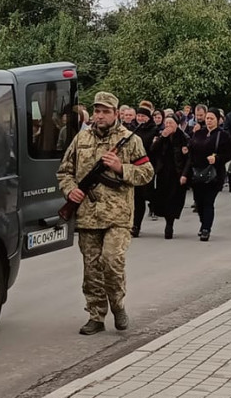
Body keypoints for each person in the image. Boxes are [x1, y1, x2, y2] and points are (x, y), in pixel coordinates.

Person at [59, 92, 153, 336]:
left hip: (118, 216)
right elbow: (64, 171)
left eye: (105, 111)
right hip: (88, 215)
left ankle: (118, 304)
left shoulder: (129, 140)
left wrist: (121, 168)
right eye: (97, 111)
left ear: (116, 113)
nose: (100, 115)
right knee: (91, 269)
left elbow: (147, 173)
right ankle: (96, 315)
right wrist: (71, 192)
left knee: (111, 261)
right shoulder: (81, 138)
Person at [186, 107, 231, 241]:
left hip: (214, 174)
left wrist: (217, 158)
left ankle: (206, 228)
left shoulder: (223, 135)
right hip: (197, 173)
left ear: (218, 120)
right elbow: (192, 150)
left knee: (208, 202)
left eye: (212, 118)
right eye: (207, 118)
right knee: (199, 203)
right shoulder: (199, 133)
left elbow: (229, 154)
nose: (209, 121)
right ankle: (203, 223)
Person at [148, 114, 191, 239]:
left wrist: (184, 174)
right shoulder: (161, 136)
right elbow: (153, 150)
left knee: (174, 200)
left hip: (177, 173)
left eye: (171, 123)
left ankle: (169, 224)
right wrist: (162, 137)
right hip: (163, 172)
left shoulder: (184, 137)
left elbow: (188, 158)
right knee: (163, 199)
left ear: (176, 124)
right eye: (166, 123)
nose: (168, 126)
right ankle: (166, 220)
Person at [130, 106, 160, 237]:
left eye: (143, 116)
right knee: (137, 198)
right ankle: (136, 225)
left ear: (148, 118)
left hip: (148, 166)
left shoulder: (154, 130)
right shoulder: (132, 129)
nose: (140, 118)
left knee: (147, 194)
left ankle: (155, 208)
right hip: (133, 167)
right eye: (138, 116)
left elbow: (153, 148)